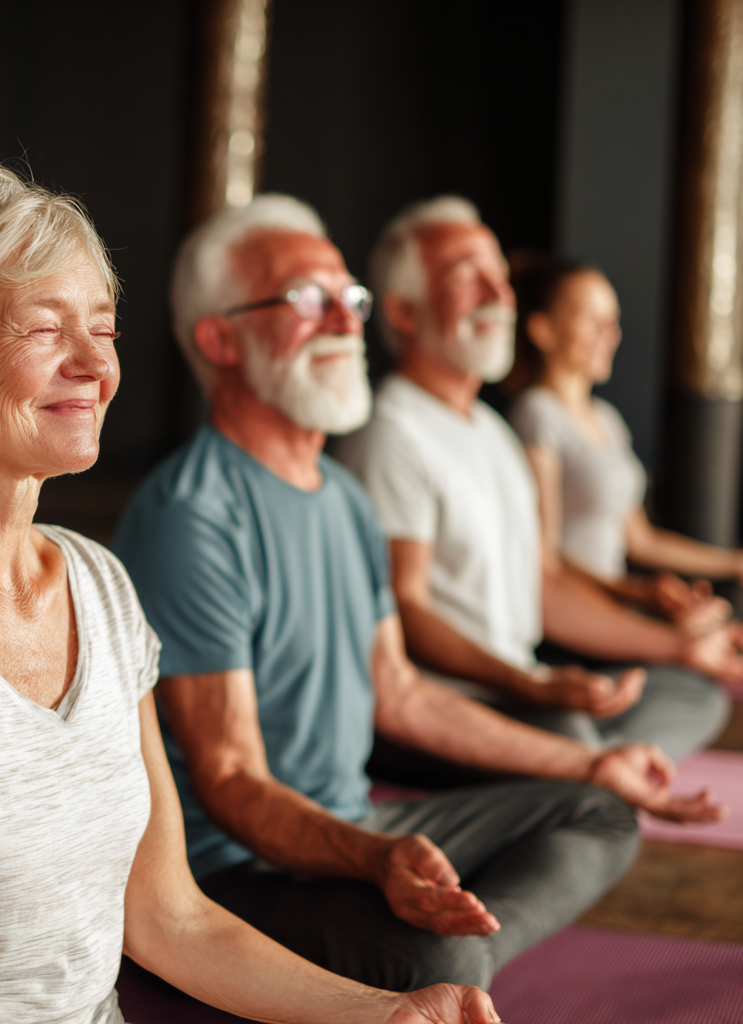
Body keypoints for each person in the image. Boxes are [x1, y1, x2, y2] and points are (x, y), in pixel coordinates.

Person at [0, 168, 501, 1024]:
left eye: (103, 330)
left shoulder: (101, 585)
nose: (93, 365)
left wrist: (386, 1011)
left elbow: (167, 917)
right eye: (45, 329)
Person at [112, 194, 721, 996]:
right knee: (443, 961)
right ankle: (423, 972)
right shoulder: (192, 517)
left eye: (348, 297)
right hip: (241, 866)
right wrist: (376, 860)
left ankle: (433, 975)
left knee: (598, 810)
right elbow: (230, 782)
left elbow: (398, 693)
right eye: (306, 299)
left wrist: (594, 760)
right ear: (220, 338)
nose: (342, 319)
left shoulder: (342, 495)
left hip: (359, 821)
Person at [339, 197, 734, 785]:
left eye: (499, 276)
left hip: (519, 684)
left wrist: (679, 648)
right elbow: (406, 607)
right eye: (467, 278)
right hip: (455, 704)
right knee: (598, 806)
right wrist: (532, 684)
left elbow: (543, 584)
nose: (500, 295)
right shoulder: (392, 433)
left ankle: (592, 767)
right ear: (401, 311)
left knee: (697, 695)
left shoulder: (493, 433)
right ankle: (588, 772)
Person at [506, 253, 743, 625]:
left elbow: (641, 540)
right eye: (592, 320)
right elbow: (545, 558)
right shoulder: (536, 414)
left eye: (612, 321)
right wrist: (640, 594)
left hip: (617, 605)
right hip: (576, 617)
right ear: (543, 330)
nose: (610, 334)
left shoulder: (607, 419)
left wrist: (732, 563)